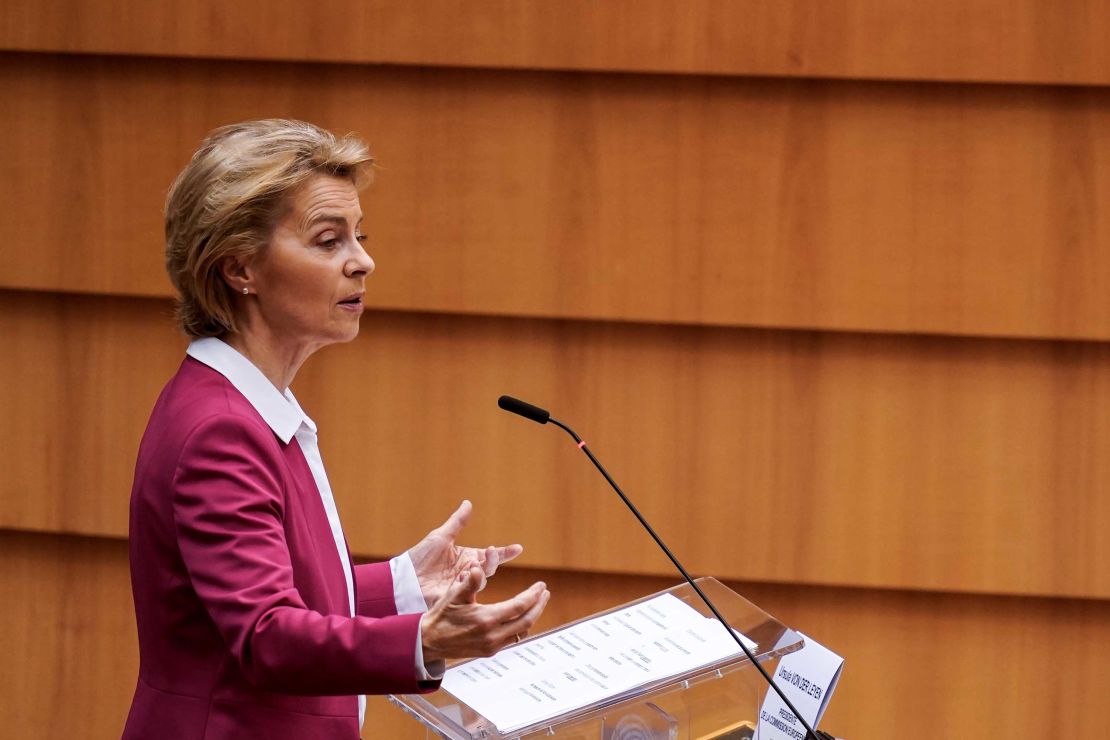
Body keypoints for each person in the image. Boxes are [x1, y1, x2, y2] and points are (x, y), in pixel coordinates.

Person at [122, 119, 550, 739]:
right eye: (328, 241)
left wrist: (404, 584)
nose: (363, 261)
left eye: (359, 236)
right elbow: (267, 635)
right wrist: (420, 642)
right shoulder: (221, 429)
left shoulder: (249, 406)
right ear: (239, 267)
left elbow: (273, 596)